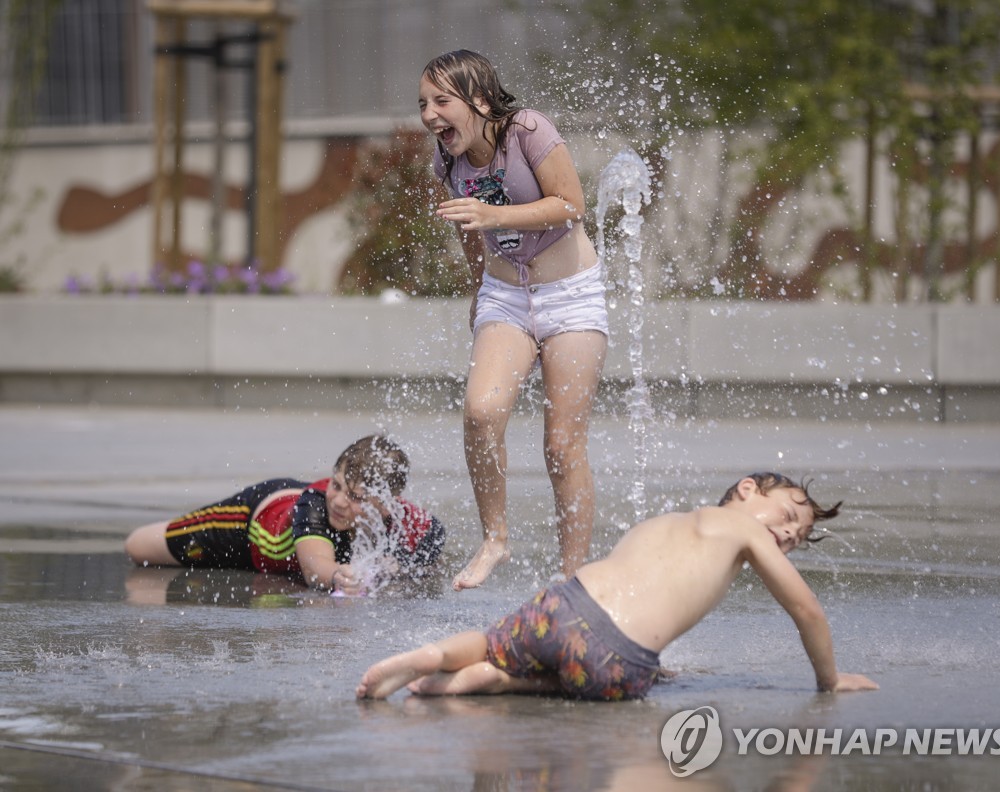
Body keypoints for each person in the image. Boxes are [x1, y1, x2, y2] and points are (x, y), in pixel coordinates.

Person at [356, 472, 879, 700]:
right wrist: (830, 680)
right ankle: (497, 682)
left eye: (798, 535)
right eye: (789, 515)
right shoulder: (745, 531)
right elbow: (806, 610)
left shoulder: (665, 523)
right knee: (607, 676)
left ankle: (436, 657)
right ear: (747, 490)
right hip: (616, 658)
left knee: (495, 642)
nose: (788, 533)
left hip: (561, 607)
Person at [418, 49, 608, 591]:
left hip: (571, 293)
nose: (430, 114)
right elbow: (465, 223)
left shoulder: (527, 130)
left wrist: (493, 215)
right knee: (481, 413)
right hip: (506, 292)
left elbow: (572, 203)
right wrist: (479, 285)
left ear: (478, 100)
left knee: (561, 444)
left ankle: (572, 578)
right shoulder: (448, 159)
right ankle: (495, 540)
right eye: (423, 103)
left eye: (442, 100)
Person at [124, 434, 445, 594]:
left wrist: (402, 567)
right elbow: (315, 568)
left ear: (387, 503)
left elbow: (433, 545)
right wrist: (338, 576)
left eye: (356, 497)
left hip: (277, 546)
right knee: (139, 547)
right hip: (252, 523)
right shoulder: (315, 506)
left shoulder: (406, 520)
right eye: (337, 484)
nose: (340, 502)